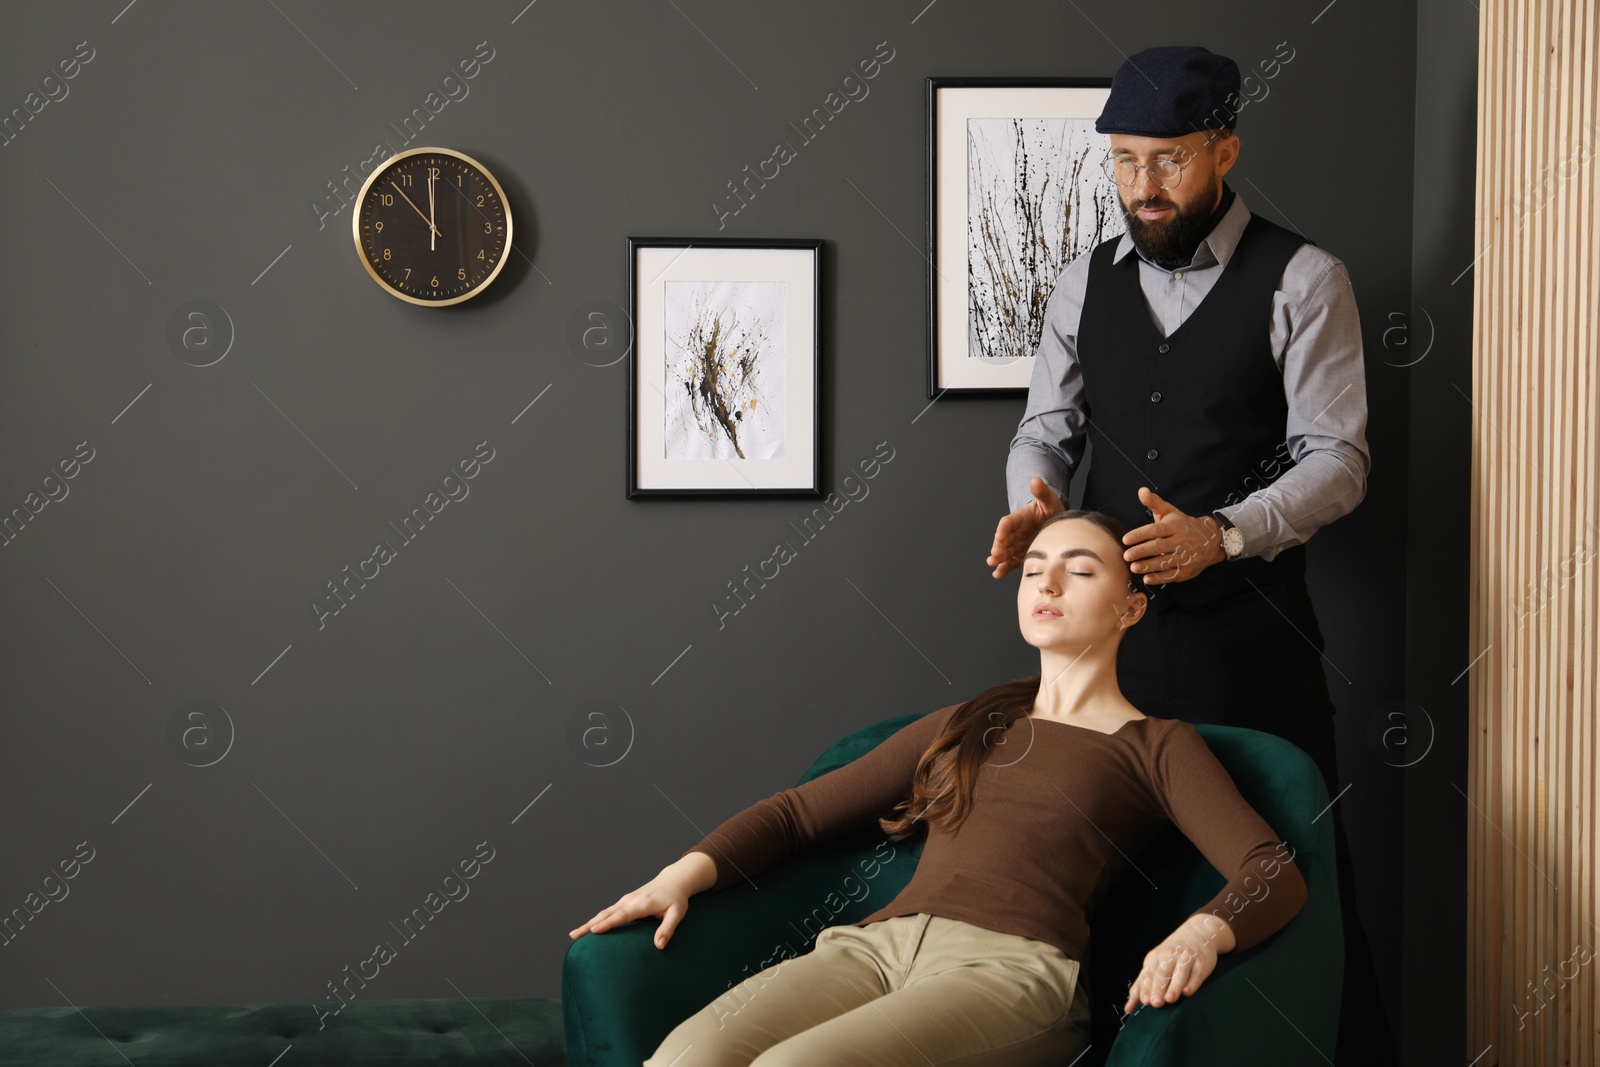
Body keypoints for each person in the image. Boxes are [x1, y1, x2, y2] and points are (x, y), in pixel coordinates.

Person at [987, 45, 1393, 1066]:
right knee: (1097, 877)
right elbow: (1044, 429)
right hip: (1101, 649)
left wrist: (1222, 534)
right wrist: (1033, 503)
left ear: (1224, 150)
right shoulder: (1084, 279)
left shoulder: (1306, 278)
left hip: (1249, 640)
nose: (1142, 187)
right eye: (1124, 162)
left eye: (1166, 161)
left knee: (1283, 875)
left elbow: (1337, 461)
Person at [572, 510, 1308, 1067]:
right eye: (1035, 569)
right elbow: (799, 813)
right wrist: (679, 876)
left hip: (1013, 971)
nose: (1047, 583)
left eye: (1080, 570)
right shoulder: (971, 719)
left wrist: (1204, 929)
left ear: (1131, 606)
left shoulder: (1157, 744)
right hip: (869, 950)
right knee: (684, 1057)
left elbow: (1269, 869)